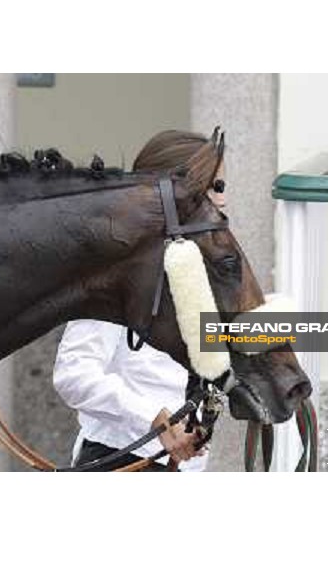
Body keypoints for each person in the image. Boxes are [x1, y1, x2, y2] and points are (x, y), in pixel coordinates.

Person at [53, 129, 226, 471]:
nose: (223, 201)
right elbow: (73, 374)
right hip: (118, 460)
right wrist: (154, 418)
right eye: (216, 188)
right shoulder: (116, 270)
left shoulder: (194, 269)